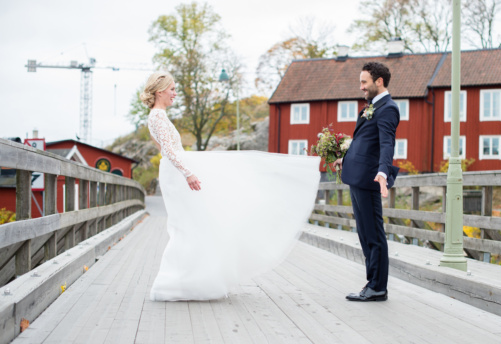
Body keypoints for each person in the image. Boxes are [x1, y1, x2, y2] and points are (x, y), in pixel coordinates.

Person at [141, 71, 321, 301]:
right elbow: (167, 150)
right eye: (172, 89)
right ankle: (176, 282)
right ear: (159, 92)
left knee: (192, 225)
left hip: (176, 172)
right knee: (187, 226)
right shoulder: (157, 116)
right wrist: (188, 173)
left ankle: (188, 281)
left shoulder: (159, 115)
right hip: (178, 174)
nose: (175, 93)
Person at [334, 62, 400, 302]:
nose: (361, 87)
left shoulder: (388, 109)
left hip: (370, 178)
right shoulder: (372, 107)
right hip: (357, 176)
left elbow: (386, 144)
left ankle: (377, 287)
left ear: (379, 81)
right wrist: (345, 158)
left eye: (364, 82)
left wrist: (383, 172)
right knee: (364, 233)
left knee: (373, 233)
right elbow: (364, 142)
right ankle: (371, 283)